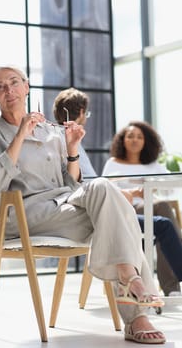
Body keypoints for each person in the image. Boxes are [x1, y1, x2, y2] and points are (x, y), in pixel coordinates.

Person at [0, 66, 166, 344]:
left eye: (14, 82)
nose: (8, 90)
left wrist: (72, 149)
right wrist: (19, 136)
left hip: (64, 206)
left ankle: (128, 278)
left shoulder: (51, 131)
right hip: (24, 215)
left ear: (26, 87)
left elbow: (72, 184)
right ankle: (136, 313)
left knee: (102, 187)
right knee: (118, 220)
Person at [53, 88, 182, 298]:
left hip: (110, 206)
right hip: (106, 212)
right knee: (164, 222)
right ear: (82, 111)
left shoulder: (68, 141)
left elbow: (89, 185)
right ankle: (165, 284)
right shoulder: (69, 143)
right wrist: (126, 193)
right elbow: (90, 187)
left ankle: (168, 285)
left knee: (162, 216)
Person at [102, 121, 182, 296]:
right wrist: (135, 192)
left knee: (163, 214)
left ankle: (171, 288)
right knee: (163, 214)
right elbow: (105, 191)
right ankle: (173, 283)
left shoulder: (152, 165)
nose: (135, 140)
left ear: (146, 141)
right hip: (126, 211)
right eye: (130, 136)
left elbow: (171, 187)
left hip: (152, 210)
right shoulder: (113, 163)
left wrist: (154, 186)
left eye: (139, 137)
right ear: (122, 140)